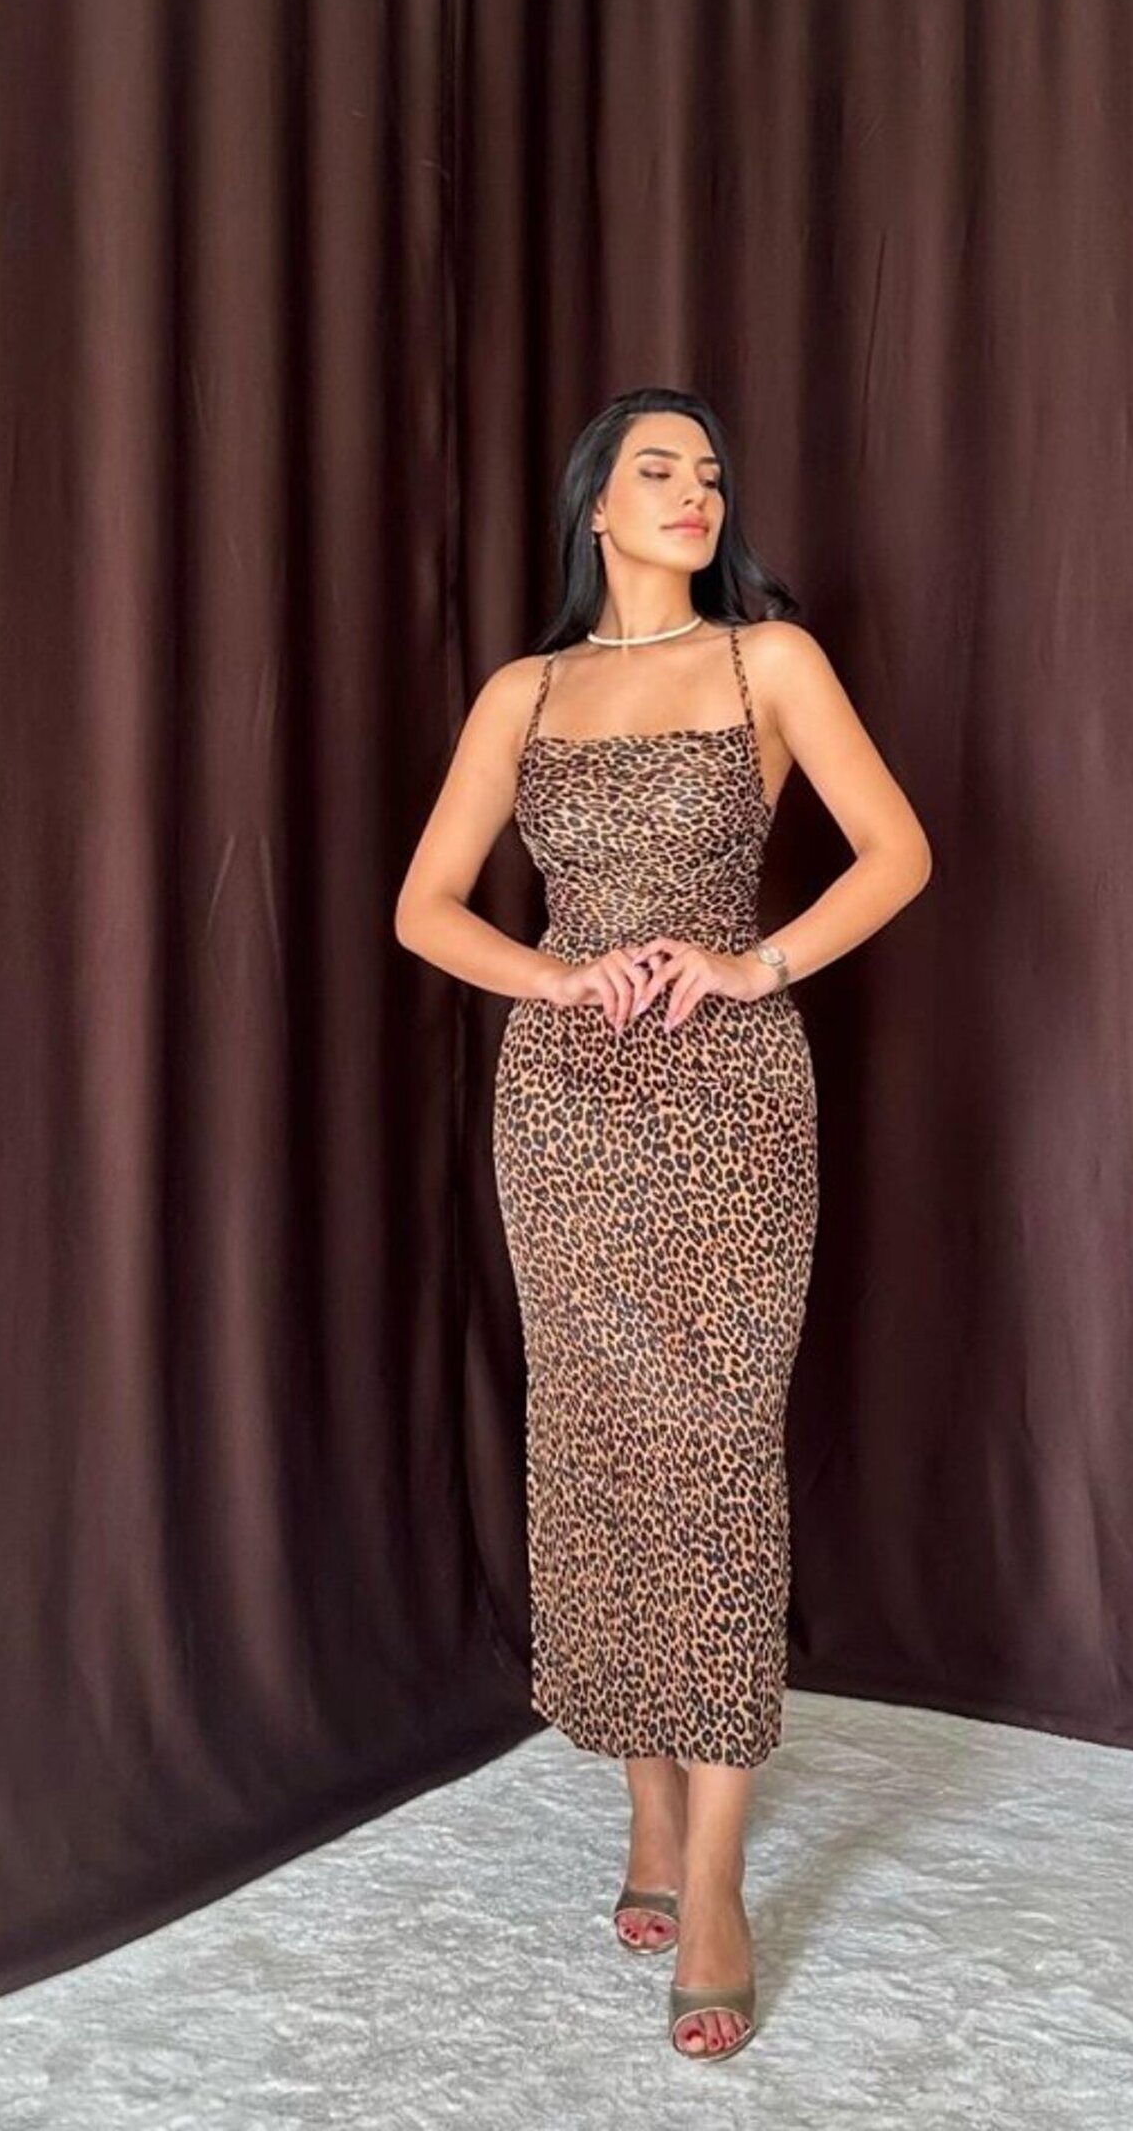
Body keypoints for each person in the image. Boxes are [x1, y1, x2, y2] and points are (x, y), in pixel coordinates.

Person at [395, 386, 932, 2061]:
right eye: (659, 470)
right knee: (600, 1446)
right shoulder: (526, 690)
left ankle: (714, 1878)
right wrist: (556, 978)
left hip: (731, 1104)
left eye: (709, 473)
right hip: (566, 1109)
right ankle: (643, 1808)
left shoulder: (772, 661)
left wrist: (754, 963)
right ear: (595, 507)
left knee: (713, 1451)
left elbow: (897, 852)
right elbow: (424, 908)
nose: (695, 492)